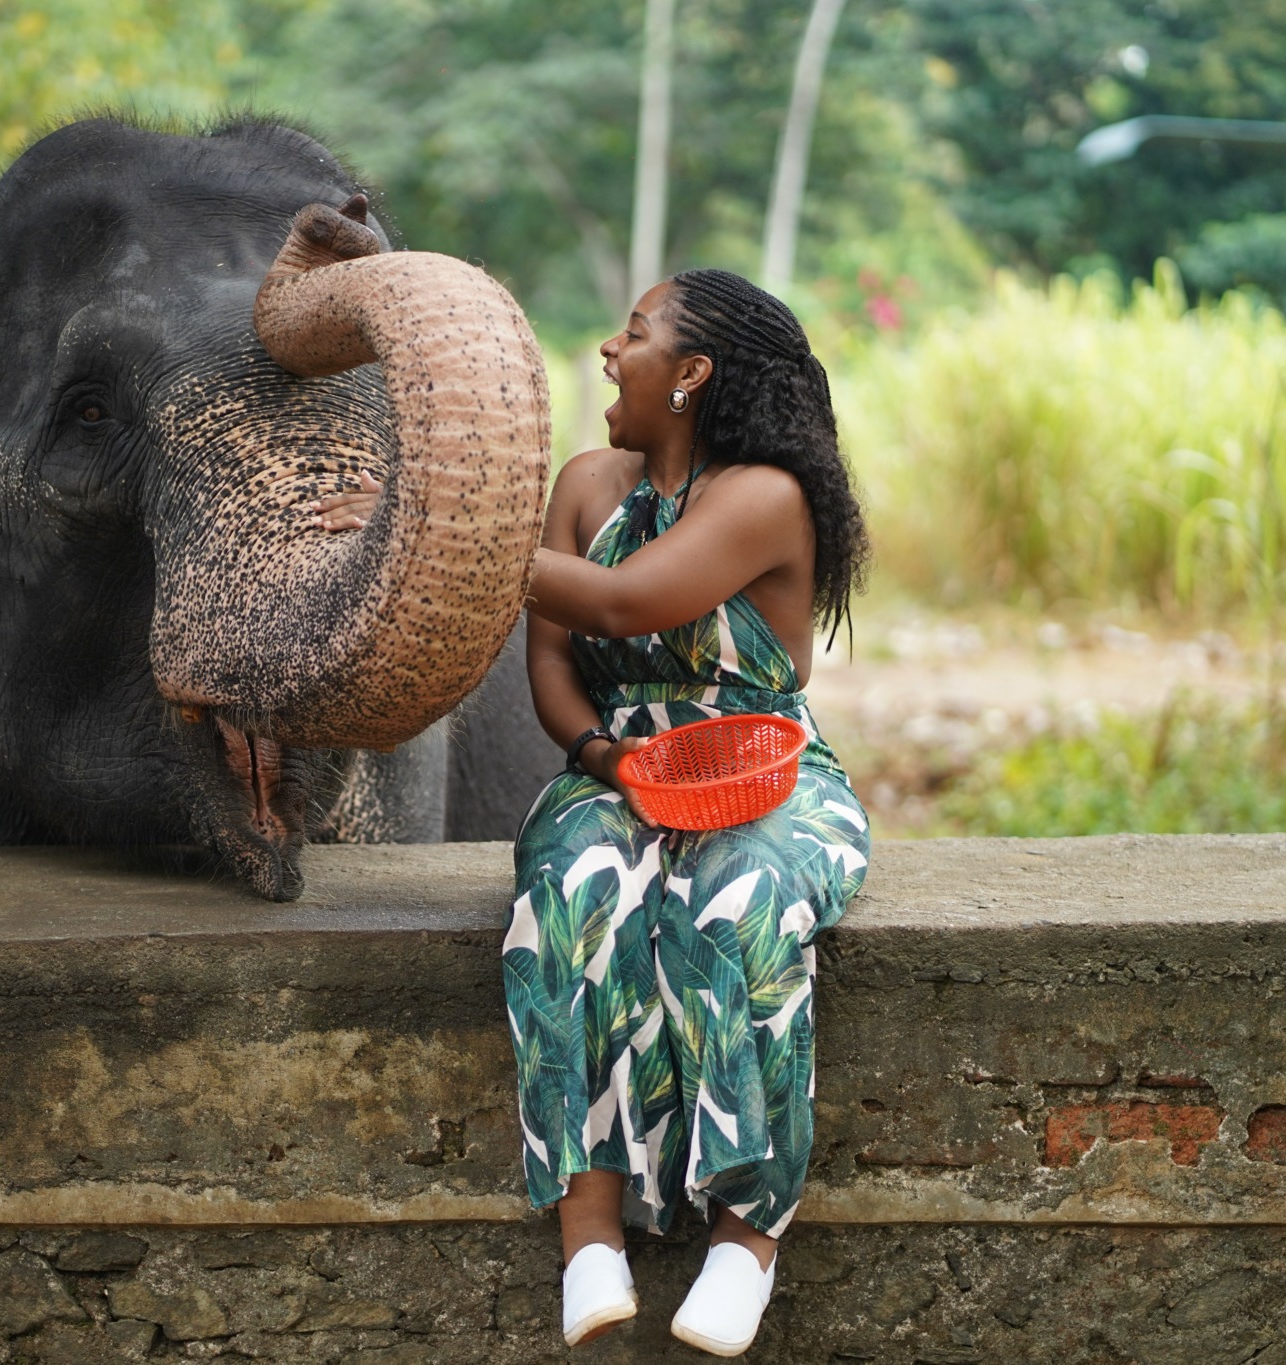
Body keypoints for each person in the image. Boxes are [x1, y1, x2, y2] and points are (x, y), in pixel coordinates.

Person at [315, 268, 870, 1356]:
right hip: (614, 766)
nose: (611, 352)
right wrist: (604, 759)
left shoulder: (763, 494)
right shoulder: (581, 485)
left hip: (765, 769)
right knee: (572, 889)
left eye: (634, 334)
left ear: (691, 373)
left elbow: (623, 601)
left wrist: (426, 531)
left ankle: (744, 1240)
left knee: (735, 901)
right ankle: (590, 1239)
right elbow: (554, 666)